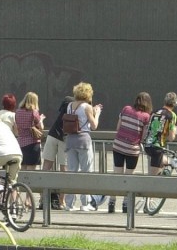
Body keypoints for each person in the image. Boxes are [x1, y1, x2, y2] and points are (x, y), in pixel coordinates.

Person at [108, 92, 152, 213]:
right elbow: (143, 136)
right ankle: (126, 204)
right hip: (132, 149)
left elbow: (118, 127)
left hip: (118, 146)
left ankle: (111, 202)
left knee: (117, 174)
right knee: (128, 176)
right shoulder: (146, 117)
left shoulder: (126, 109)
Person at [64, 81, 102, 211]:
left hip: (70, 140)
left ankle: (69, 203)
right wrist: (97, 112)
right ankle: (85, 203)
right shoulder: (87, 107)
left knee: (72, 172)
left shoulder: (70, 105)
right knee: (86, 172)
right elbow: (94, 125)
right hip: (83, 140)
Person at [142, 92, 177, 176]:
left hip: (147, 145)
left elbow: (147, 128)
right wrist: (175, 130)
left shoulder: (154, 112)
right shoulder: (172, 115)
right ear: (175, 104)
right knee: (154, 178)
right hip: (157, 147)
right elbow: (171, 137)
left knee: (163, 163)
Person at [14, 92, 44, 171]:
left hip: (21, 143)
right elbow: (41, 127)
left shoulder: (18, 112)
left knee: (23, 167)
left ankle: (22, 183)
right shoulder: (34, 112)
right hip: (33, 142)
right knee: (31, 169)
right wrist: (41, 119)